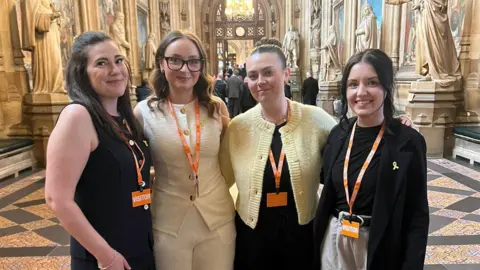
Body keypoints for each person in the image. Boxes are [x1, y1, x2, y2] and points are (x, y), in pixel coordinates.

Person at [219, 38, 337, 270]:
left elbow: (350, 143)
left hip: (301, 234)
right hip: (252, 235)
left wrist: (392, 128)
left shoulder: (316, 119)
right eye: (253, 75)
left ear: (286, 74)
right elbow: (220, 179)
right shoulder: (238, 127)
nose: (260, 81)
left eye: (268, 73)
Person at [45, 31, 155, 270]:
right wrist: (106, 256)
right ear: (82, 73)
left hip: (139, 246)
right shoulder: (78, 116)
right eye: (101, 63)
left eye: (118, 60)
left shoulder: (125, 118)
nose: (115, 70)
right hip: (104, 257)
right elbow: (57, 198)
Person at [313, 49, 429, 270]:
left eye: (372, 82)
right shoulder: (338, 135)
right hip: (335, 240)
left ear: (386, 87)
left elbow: (417, 215)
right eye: (353, 84)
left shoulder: (407, 142)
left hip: (380, 244)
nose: (361, 92)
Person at [134, 30, 235, 270]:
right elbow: (134, 164)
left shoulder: (215, 107)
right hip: (169, 222)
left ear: (201, 65)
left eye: (193, 61)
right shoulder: (144, 112)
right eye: (175, 60)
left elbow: (229, 157)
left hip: (217, 219)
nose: (185, 69)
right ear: (162, 62)